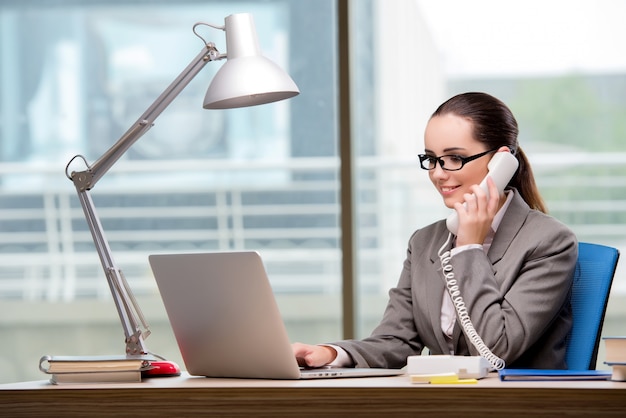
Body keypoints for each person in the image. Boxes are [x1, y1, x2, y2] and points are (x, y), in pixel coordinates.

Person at [292, 92, 578, 370]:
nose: (438, 173)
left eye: (454, 158)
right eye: (431, 158)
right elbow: (397, 340)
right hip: (442, 402)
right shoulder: (425, 242)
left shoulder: (548, 242)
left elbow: (496, 350)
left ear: (500, 162)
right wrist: (331, 353)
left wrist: (468, 249)